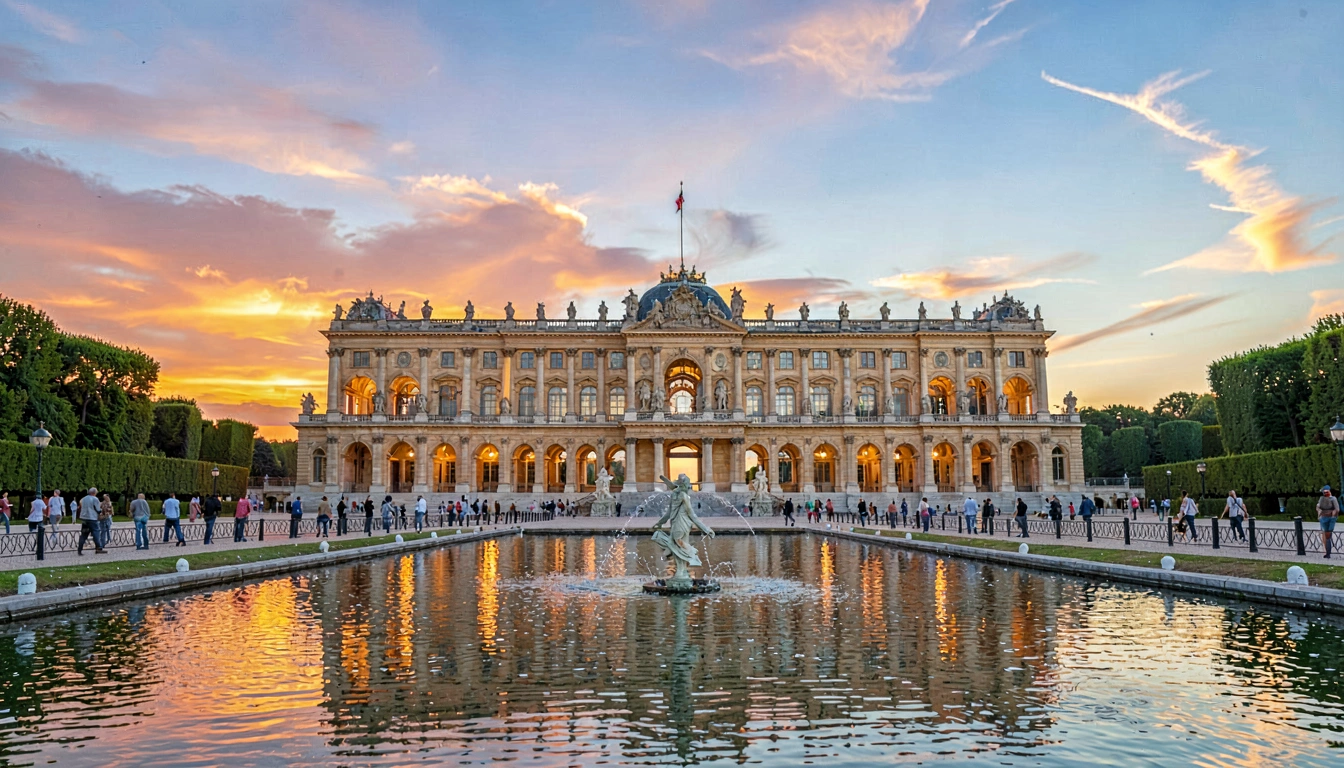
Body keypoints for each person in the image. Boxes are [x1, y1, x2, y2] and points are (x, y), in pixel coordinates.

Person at [77, 487, 106, 555]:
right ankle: (99, 548)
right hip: (92, 518)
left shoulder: (83, 499)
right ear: (94, 493)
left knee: (84, 534)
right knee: (96, 533)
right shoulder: (95, 499)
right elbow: (98, 509)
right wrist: (101, 513)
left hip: (84, 518)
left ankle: (79, 549)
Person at [1319, 486, 1339, 559]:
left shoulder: (1333, 499)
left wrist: (1333, 516)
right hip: (1323, 518)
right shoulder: (1322, 499)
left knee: (1328, 535)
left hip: (1330, 518)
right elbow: (1319, 507)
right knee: (1325, 534)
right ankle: (1327, 552)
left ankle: (1328, 553)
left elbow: (1337, 509)